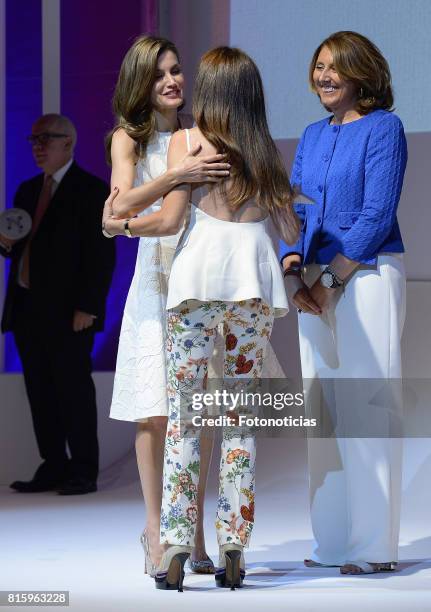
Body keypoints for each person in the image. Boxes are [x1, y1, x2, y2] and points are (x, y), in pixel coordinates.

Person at [104, 46, 300, 591]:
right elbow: (287, 230)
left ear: (210, 90)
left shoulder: (188, 144)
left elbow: (168, 221)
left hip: (192, 290)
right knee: (238, 419)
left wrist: (117, 224)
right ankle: (233, 546)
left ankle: (174, 548)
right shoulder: (263, 151)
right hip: (253, 291)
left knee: (185, 422)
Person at [280, 31, 407, 575]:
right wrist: (291, 264)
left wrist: (328, 284)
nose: (324, 76)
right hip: (310, 281)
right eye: (319, 66)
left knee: (367, 407)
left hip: (366, 275)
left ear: (363, 73)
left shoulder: (385, 128)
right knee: (322, 411)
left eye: (336, 67)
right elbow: (293, 207)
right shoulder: (311, 134)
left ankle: (373, 547)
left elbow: (377, 214)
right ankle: (332, 542)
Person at [104, 35, 231, 575]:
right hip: (154, 281)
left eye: (176, 70)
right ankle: (156, 531)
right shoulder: (126, 140)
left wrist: (130, 211)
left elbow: (121, 216)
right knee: (154, 412)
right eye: (159, 74)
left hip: (199, 277)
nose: (172, 81)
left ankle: (193, 527)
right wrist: (176, 176)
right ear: (141, 83)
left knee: (196, 413)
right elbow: (118, 203)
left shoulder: (199, 134)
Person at [0, 113, 115, 495]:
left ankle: (83, 469)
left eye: (44, 139)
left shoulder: (91, 191)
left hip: (70, 313)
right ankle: (53, 464)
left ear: (68, 142)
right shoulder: (26, 190)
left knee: (74, 390)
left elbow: (101, 257)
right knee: (39, 390)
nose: (36, 147)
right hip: (27, 308)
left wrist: (88, 306)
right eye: (33, 140)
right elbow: (20, 245)